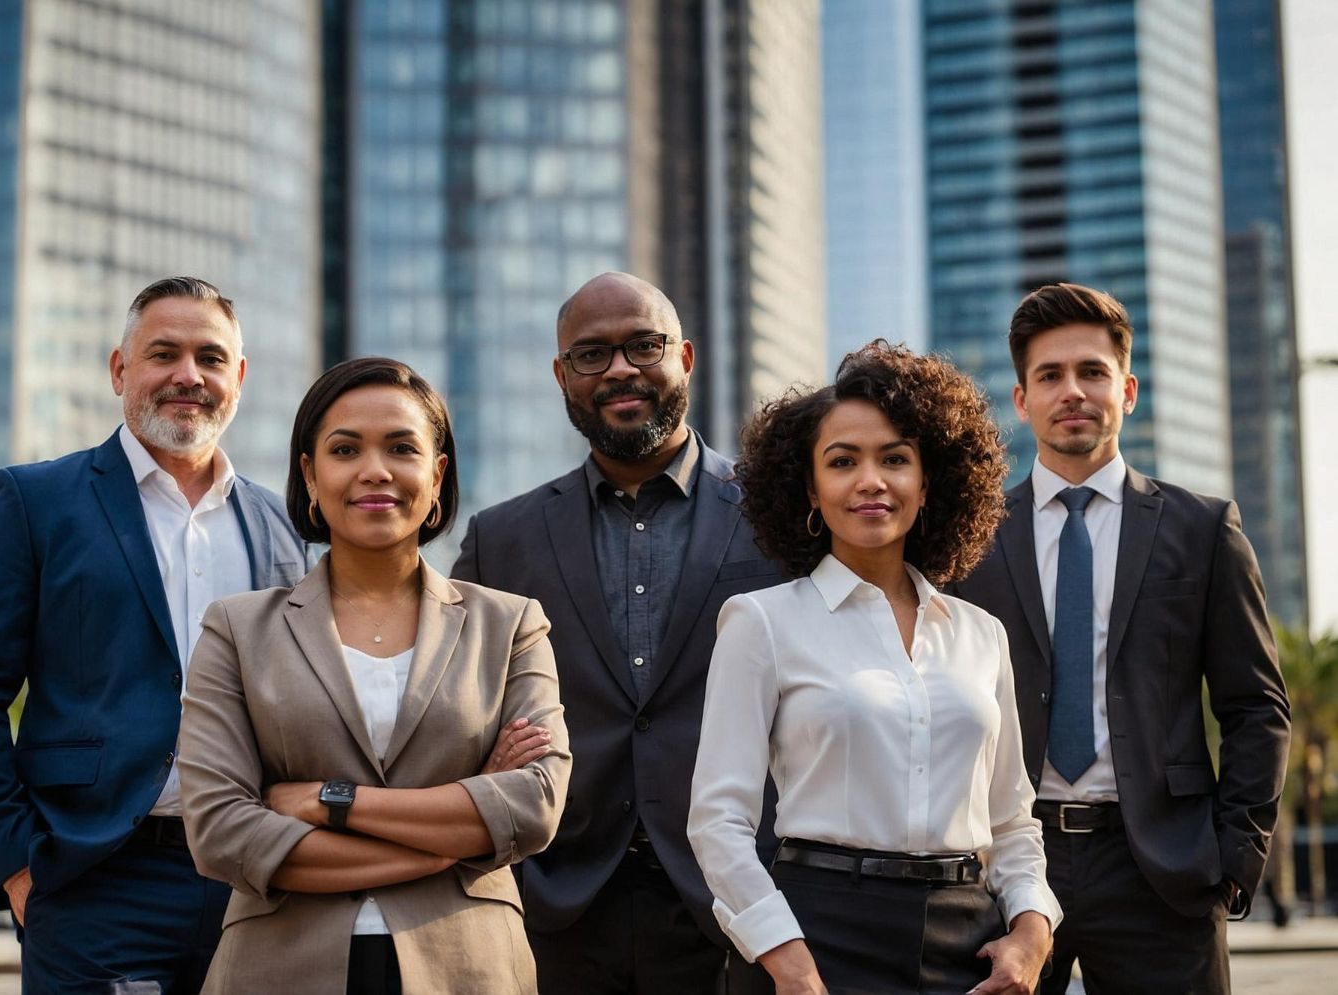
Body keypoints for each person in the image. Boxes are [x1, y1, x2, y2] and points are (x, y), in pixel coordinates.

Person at [0, 277, 308, 992]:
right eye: (163, 353)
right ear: (119, 370)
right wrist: (15, 863)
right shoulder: (33, 500)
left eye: (211, 357)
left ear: (240, 377)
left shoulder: (281, 525)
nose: (188, 375)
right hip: (95, 882)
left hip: (256, 881)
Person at [177, 357, 572, 994]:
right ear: (309, 473)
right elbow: (221, 830)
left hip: (466, 968)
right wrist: (454, 838)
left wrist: (325, 799)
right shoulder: (236, 629)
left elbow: (533, 805)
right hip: (280, 967)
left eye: (401, 448)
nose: (374, 470)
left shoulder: (511, 625)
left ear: (437, 474)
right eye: (344, 449)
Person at [689, 342, 1062, 995]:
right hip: (817, 938)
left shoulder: (981, 634)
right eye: (842, 461)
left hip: (969, 947)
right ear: (809, 486)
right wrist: (788, 961)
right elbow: (717, 820)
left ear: (928, 480)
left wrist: (1032, 932)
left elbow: (1011, 820)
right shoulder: (760, 621)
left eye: (895, 458)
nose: (871, 480)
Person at [951, 283, 1292, 994]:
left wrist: (1234, 859)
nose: (1072, 391)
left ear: (1127, 390)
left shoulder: (1203, 530)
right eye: (1049, 375)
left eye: (1092, 372)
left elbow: (1257, 708)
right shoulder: (974, 541)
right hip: (1007, 870)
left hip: (1160, 869)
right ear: (1021, 399)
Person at [451, 272, 783, 992]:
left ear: (685, 358)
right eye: (591, 354)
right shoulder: (499, 539)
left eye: (643, 346)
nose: (621, 370)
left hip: (741, 904)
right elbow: (453, 713)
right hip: (558, 905)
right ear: (561, 375)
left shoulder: (780, 517)